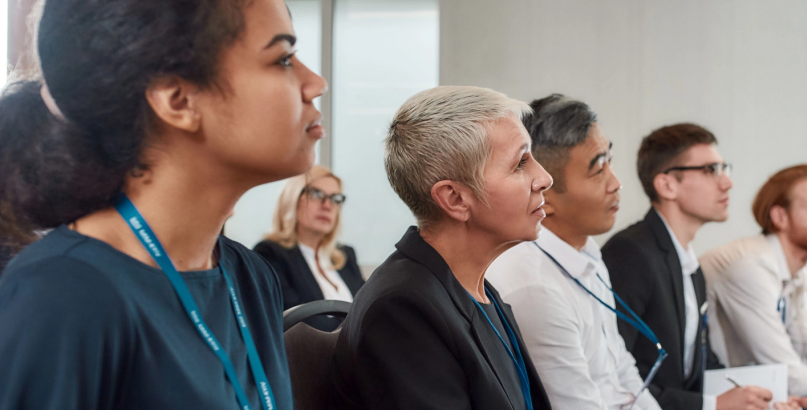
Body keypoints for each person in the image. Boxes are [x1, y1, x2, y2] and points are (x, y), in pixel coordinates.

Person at [0, 0, 327, 408]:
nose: (316, 83)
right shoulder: (63, 294)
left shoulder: (249, 277)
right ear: (177, 100)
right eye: (283, 59)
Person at [333, 86, 554, 410]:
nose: (544, 178)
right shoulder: (402, 312)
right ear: (455, 199)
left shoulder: (477, 290)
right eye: (520, 163)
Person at [485, 94, 663, 410]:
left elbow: (620, 367)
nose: (616, 183)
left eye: (609, 160)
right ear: (544, 192)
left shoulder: (586, 250)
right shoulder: (533, 286)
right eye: (597, 170)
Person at [603, 124, 791, 410]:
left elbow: (702, 366)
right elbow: (614, 376)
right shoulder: (632, 253)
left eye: (723, 169)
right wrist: (712, 406)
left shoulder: (690, 265)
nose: (726, 182)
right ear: (667, 185)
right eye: (711, 170)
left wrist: (767, 398)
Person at [699, 165, 807, 410]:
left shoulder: (795, 274)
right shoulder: (750, 267)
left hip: (756, 383)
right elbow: (791, 377)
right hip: (719, 391)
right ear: (779, 217)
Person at [254, 165, 363, 330]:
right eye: (316, 194)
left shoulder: (345, 255)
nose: (327, 205)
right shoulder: (270, 254)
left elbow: (369, 311)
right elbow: (297, 323)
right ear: (292, 199)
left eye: (335, 198)